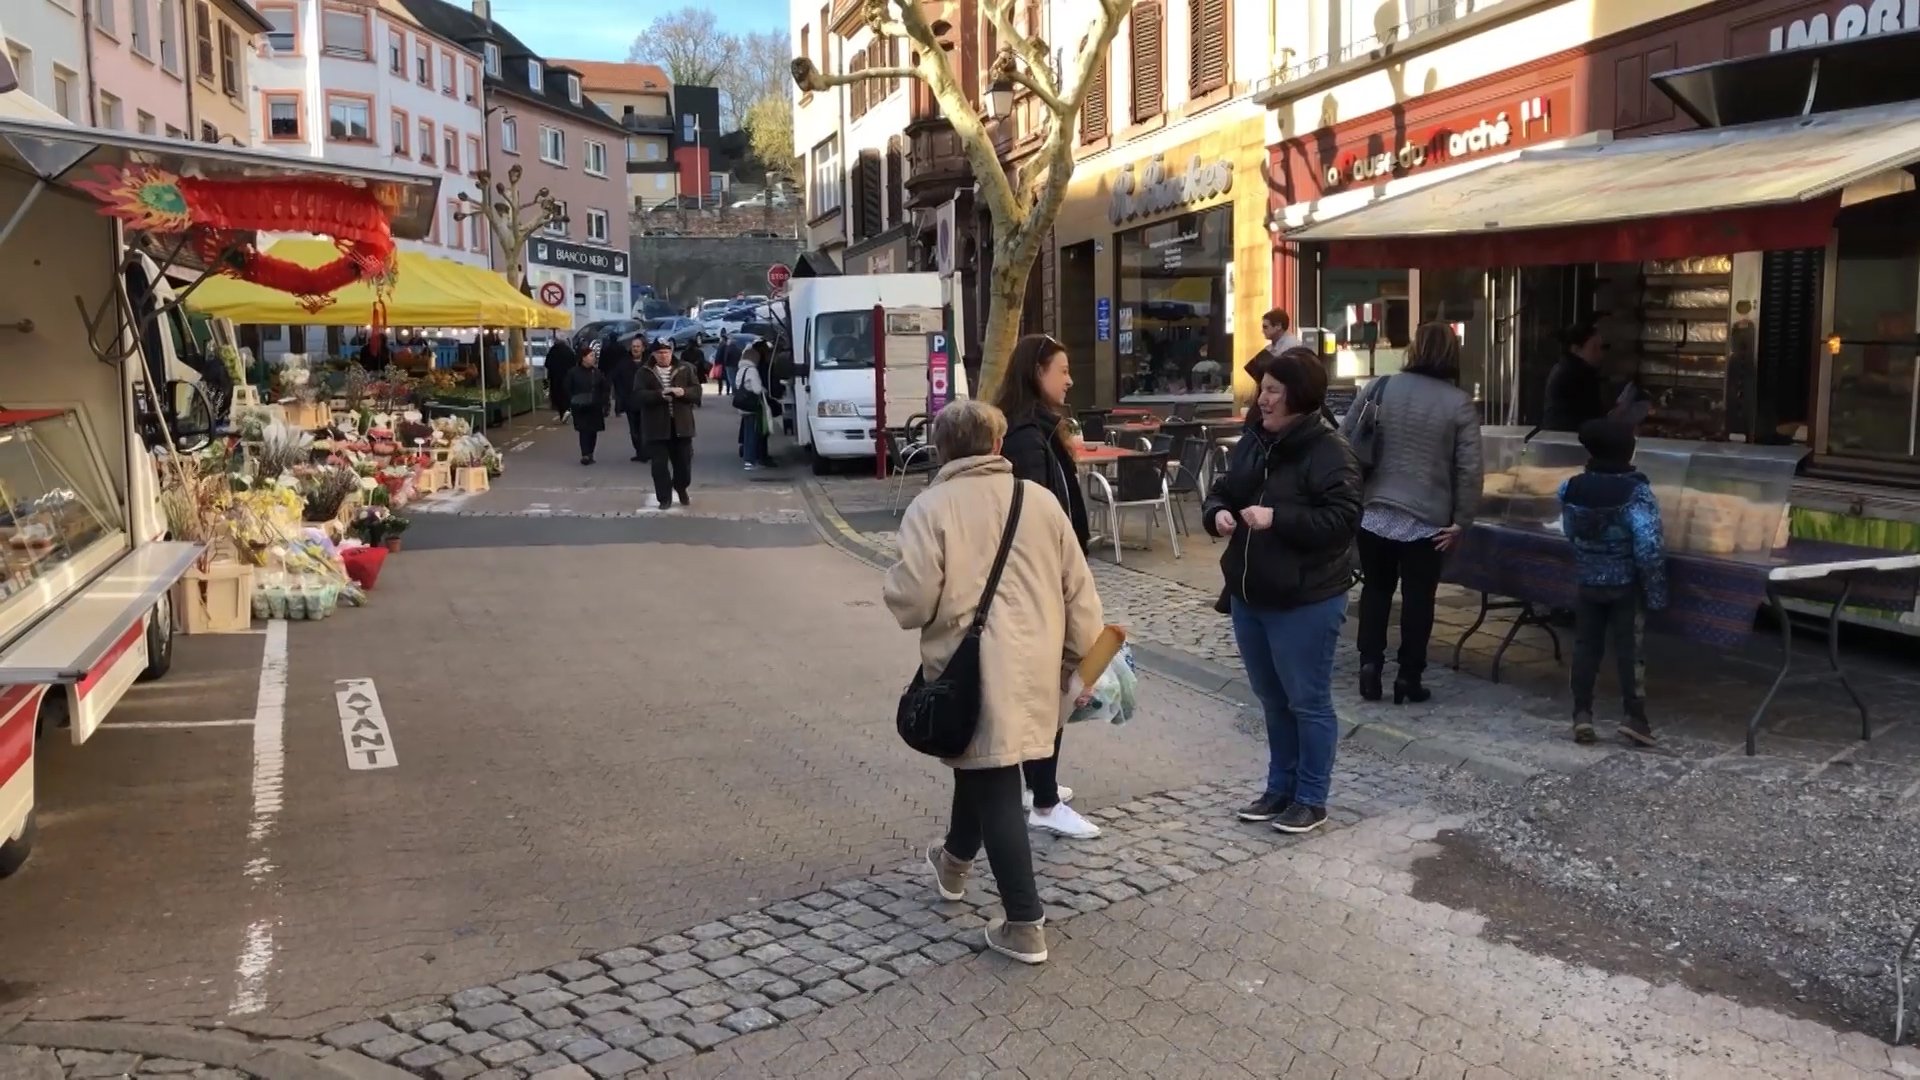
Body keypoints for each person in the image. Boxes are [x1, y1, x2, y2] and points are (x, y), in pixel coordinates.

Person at [882, 400, 1104, 965]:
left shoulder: (930, 508)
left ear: (941, 451)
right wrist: (1083, 664)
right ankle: (954, 863)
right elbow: (1079, 591)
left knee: (996, 778)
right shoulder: (1040, 500)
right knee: (984, 762)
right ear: (999, 445)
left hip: (972, 668)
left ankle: (1025, 923)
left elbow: (911, 603)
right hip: (1038, 666)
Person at [1204, 348, 1362, 835]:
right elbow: (1225, 489)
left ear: (1299, 395)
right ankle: (1279, 788)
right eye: (1263, 389)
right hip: (1251, 593)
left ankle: (1311, 798)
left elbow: (1344, 520)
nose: (1263, 399)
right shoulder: (1256, 439)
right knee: (1272, 699)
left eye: (1273, 391)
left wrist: (1279, 518)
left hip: (1306, 598)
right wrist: (1216, 513)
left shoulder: (1329, 449)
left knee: (1307, 701)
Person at [990, 334, 1099, 841]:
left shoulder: (1034, 428)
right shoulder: (1025, 437)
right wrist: (1059, 583)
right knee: (1049, 691)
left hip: (1040, 584)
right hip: (1039, 587)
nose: (1070, 379)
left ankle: (1038, 787)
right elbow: (1037, 520)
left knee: (1044, 690)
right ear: (1038, 372)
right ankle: (1045, 802)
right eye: (1062, 370)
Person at [1341, 322, 1483, 706]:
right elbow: (1469, 469)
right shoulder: (1459, 403)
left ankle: (1370, 665)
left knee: (1376, 589)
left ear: (1414, 348)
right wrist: (1462, 520)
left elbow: (1344, 440)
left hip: (1375, 510)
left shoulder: (1380, 386)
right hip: (1428, 518)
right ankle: (1409, 676)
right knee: (1419, 597)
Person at [1560, 418, 1667, 747]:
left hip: (1588, 581)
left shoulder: (1571, 487)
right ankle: (1635, 717)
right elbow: (1649, 548)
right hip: (1625, 585)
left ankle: (1581, 714)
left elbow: (1570, 532)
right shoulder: (1637, 493)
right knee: (1629, 651)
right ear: (1625, 450)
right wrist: (1656, 593)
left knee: (1585, 647)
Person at [634, 336, 702, 507]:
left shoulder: (685, 369)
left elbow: (697, 392)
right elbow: (638, 396)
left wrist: (683, 392)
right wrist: (659, 395)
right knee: (659, 466)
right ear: (654, 354)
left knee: (684, 464)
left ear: (671, 352)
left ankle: (681, 487)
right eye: (660, 353)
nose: (663, 356)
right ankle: (664, 498)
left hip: (681, 425)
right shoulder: (644, 372)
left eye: (666, 352)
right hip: (656, 427)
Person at [1541, 320, 1611, 433]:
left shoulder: (1565, 368)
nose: (1600, 354)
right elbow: (1592, 418)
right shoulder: (1579, 374)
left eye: (1600, 348)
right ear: (1576, 349)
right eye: (1594, 348)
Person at [564, 346, 611, 465]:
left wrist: (605, 403)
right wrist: (572, 401)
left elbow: (605, 388)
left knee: (593, 431)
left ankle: (590, 453)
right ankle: (585, 454)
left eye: (594, 356)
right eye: (591, 356)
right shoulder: (573, 372)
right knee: (584, 430)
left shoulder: (597, 372)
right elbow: (567, 388)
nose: (593, 358)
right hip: (580, 406)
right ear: (583, 358)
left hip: (595, 406)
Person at [735, 340, 776, 470]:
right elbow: (757, 389)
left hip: (742, 406)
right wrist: (765, 391)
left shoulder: (741, 370)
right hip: (752, 406)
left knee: (747, 433)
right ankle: (750, 461)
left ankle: (748, 458)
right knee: (753, 434)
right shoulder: (752, 371)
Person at [610, 335, 647, 462]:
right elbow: (614, 378)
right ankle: (639, 452)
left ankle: (646, 452)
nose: (635, 349)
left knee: (645, 429)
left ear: (643, 348)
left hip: (647, 401)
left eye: (638, 346)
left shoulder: (649, 363)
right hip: (630, 401)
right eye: (633, 347)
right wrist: (621, 395)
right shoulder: (624, 363)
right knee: (634, 430)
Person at [544, 336, 579, 421]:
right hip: (567, 376)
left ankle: (561, 413)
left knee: (558, 395)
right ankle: (567, 409)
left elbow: (547, 364)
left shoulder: (552, 351)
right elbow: (574, 363)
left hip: (555, 377)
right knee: (566, 394)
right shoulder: (569, 351)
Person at [678, 342, 708, 407]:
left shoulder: (685, 352)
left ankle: (693, 401)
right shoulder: (699, 352)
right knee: (697, 386)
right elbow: (702, 360)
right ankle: (697, 400)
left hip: (689, 371)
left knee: (690, 386)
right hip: (698, 371)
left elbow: (682, 361)